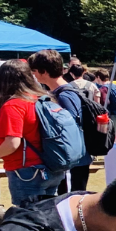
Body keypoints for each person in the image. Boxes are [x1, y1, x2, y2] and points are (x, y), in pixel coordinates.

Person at [0, 60, 68, 206]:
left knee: (28, 219)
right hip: (52, 166)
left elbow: (12, 144)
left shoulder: (14, 105)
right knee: (47, 217)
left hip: (27, 170)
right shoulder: (43, 98)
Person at [29, 49, 95, 193]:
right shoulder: (59, 93)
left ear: (44, 71)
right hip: (67, 160)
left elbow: (71, 129)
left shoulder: (65, 95)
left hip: (72, 161)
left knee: (70, 202)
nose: (33, 75)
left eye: (34, 71)